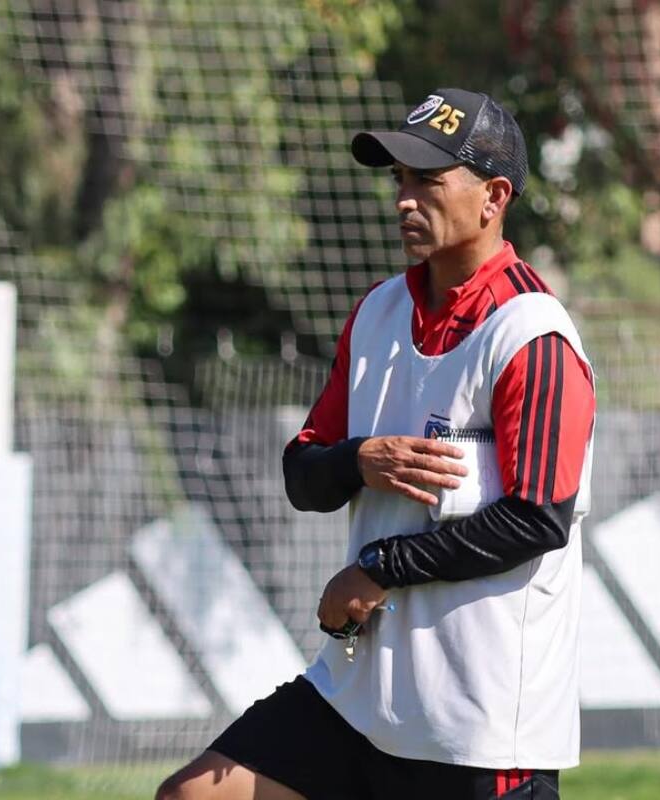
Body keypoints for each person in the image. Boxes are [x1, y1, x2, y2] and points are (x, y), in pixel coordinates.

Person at [158, 88, 595, 800]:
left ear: (494, 197)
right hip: (356, 701)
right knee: (193, 795)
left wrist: (380, 567)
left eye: (428, 179)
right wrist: (357, 459)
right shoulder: (379, 312)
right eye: (399, 178)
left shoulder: (532, 335)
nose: (404, 199)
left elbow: (536, 520)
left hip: (475, 728)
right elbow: (304, 473)